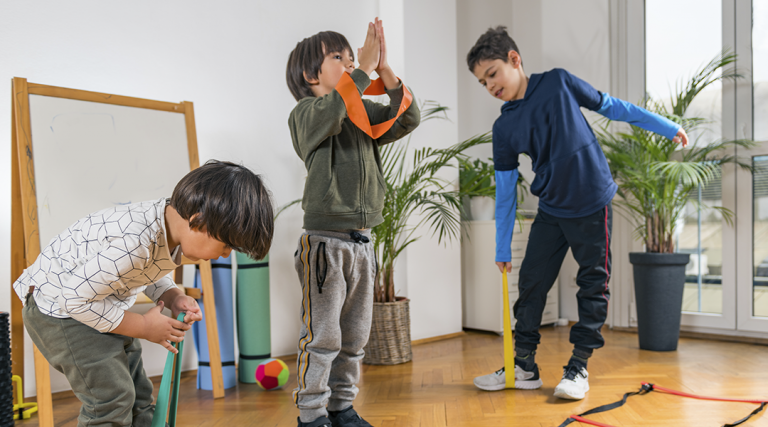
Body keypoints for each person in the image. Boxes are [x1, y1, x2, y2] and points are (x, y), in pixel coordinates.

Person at [466, 26, 688, 400]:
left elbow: (614, 106)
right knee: (532, 283)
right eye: (481, 82)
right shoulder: (503, 127)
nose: (489, 85)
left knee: (592, 285)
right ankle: (523, 366)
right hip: (551, 208)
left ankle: (578, 366)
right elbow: (504, 192)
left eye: (492, 74)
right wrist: (501, 248)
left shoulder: (558, 83)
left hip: (591, 202)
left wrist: (666, 126)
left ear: (514, 60)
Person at [13, 160, 274, 426]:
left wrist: (173, 296)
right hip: (59, 313)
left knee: (139, 394)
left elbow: (147, 270)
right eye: (227, 245)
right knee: (111, 398)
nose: (226, 254)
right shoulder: (135, 241)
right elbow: (74, 299)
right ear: (199, 222)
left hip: (99, 305)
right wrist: (144, 326)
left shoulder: (168, 226)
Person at [285, 18, 420, 427]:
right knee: (322, 337)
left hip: (362, 244)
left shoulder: (359, 113)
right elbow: (334, 107)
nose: (348, 62)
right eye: (338, 58)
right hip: (324, 244)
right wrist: (361, 69)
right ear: (311, 74)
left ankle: (341, 408)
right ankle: (311, 416)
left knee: (355, 338)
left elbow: (408, 118)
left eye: (350, 55)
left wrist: (384, 71)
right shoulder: (307, 114)